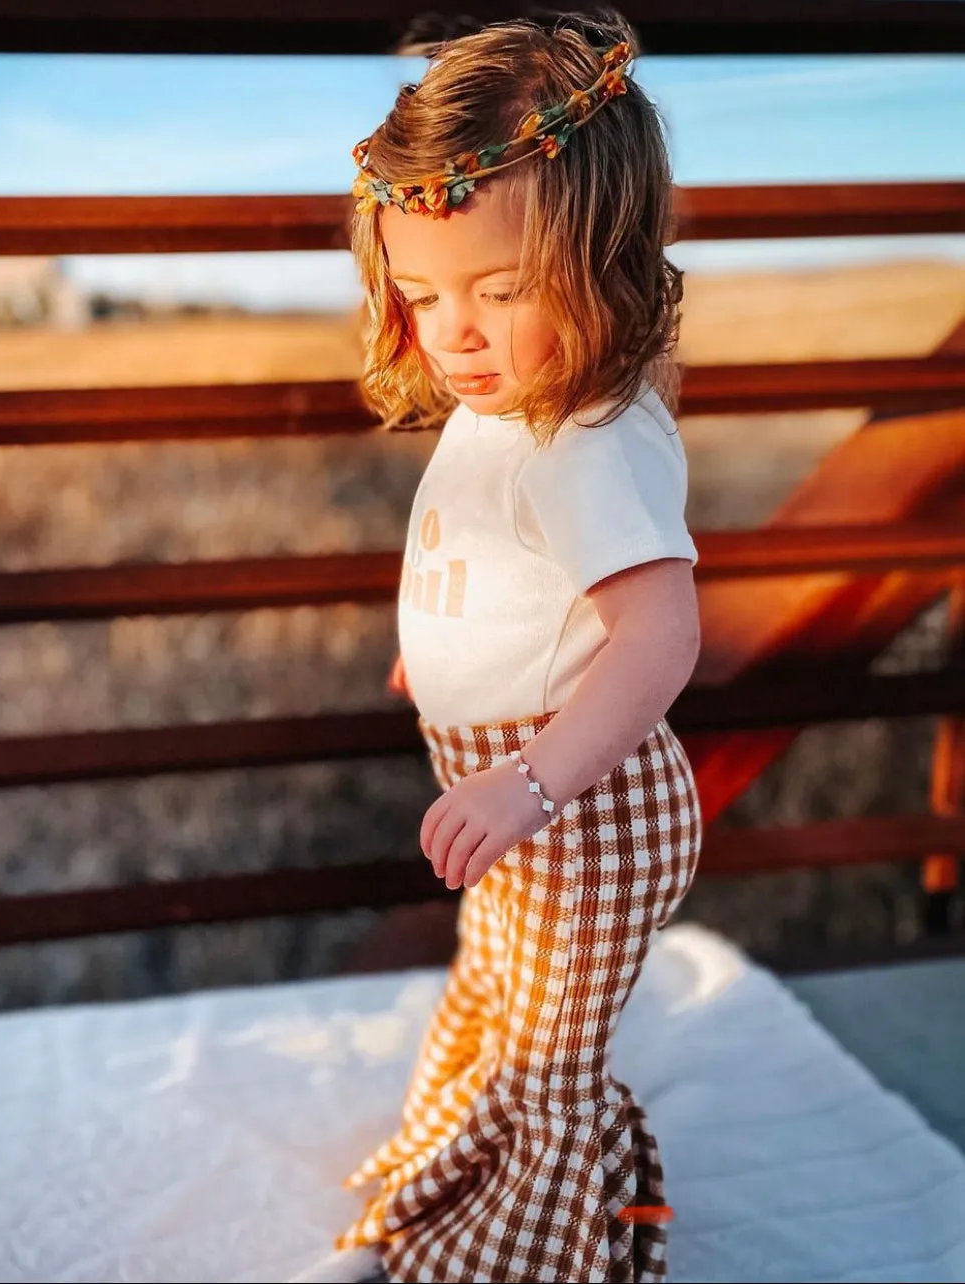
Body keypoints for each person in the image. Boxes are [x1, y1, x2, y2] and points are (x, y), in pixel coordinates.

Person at [295, 13, 704, 1284]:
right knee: (497, 1002)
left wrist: (530, 780)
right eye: (422, 296)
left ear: (602, 260)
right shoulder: (517, 400)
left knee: (546, 1056)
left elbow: (657, 634)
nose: (453, 334)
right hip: (526, 790)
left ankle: (537, 1253)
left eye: (501, 290)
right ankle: (454, 1184)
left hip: (581, 807)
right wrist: (443, 656)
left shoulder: (583, 441)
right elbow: (513, 573)